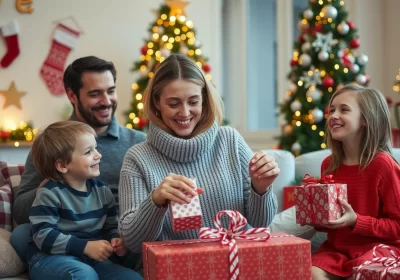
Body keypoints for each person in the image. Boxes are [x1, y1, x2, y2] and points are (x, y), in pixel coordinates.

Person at [118, 54, 280, 260]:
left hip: (237, 262)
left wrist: (261, 188)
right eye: (173, 104)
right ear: (157, 103)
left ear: (204, 99)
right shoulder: (137, 158)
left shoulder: (229, 140)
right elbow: (132, 242)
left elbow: (260, 223)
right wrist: (156, 201)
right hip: (176, 268)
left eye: (193, 101)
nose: (184, 113)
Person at [11, 56, 146, 260]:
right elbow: (20, 212)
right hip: (66, 241)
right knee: (22, 235)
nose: (106, 101)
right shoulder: (52, 144)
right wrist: (55, 185)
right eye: (95, 94)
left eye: (111, 91)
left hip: (117, 239)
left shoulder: (138, 142)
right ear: (72, 95)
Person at [27, 121, 142, 280]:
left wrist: (115, 240)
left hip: (90, 260)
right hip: (50, 258)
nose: (98, 155)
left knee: (132, 278)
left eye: (96, 148)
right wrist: (85, 247)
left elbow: (110, 227)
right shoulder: (49, 193)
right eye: (88, 152)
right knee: (83, 275)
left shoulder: (102, 191)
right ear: (62, 165)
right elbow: (42, 235)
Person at [311, 84, 400, 280]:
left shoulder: (382, 165)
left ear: (366, 120)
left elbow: (397, 226)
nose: (333, 115)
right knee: (309, 273)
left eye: (344, 110)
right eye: (332, 110)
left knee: (360, 275)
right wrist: (317, 216)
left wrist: (356, 221)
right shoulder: (329, 165)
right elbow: (330, 224)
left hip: (380, 249)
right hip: (337, 251)